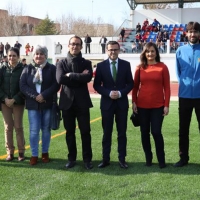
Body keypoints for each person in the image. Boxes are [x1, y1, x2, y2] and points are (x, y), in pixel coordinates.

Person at [93, 41, 133, 169]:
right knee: (107, 133)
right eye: (110, 50)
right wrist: (108, 93)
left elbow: (130, 84)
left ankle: (122, 159)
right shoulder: (100, 66)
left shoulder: (126, 65)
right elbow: (97, 85)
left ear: (119, 50)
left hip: (121, 104)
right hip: (107, 104)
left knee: (122, 133)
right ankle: (106, 159)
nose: (113, 52)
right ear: (106, 51)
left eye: (115, 49)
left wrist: (121, 93)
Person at [56, 36, 93, 170]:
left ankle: (87, 159)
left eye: (77, 44)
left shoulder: (86, 63)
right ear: (68, 45)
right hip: (67, 103)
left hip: (82, 103)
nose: (75, 46)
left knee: (85, 132)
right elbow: (60, 79)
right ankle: (72, 158)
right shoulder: (61, 63)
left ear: (81, 47)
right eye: (73, 44)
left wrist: (70, 75)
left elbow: (88, 77)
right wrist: (79, 77)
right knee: (69, 132)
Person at [132, 42, 170, 168]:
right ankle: (148, 158)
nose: (150, 54)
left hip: (158, 106)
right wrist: (134, 102)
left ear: (156, 53)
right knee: (144, 133)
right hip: (142, 106)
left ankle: (161, 159)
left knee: (156, 132)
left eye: (152, 51)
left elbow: (167, 88)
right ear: (144, 53)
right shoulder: (139, 68)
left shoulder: (162, 67)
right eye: (148, 51)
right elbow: (135, 87)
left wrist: (166, 105)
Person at [20, 45, 59, 165]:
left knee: (46, 130)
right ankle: (34, 154)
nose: (39, 56)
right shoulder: (27, 68)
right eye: (36, 54)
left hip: (47, 104)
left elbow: (56, 84)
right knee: (34, 131)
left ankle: (45, 153)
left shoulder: (52, 68)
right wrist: (35, 96)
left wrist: (44, 95)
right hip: (33, 105)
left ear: (45, 55)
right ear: (33, 55)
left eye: (41, 54)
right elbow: (23, 86)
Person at [174, 21, 200, 167]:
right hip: (184, 96)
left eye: (195, 31)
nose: (192, 34)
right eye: (190, 31)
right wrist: (184, 83)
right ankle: (183, 158)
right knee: (183, 129)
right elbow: (178, 72)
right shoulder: (180, 51)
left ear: (199, 34)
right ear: (186, 33)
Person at [0, 47, 25, 161]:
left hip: (18, 102)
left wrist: (14, 99)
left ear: (18, 57)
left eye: (14, 55)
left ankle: (21, 152)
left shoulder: (23, 69)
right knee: (8, 127)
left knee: (18, 127)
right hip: (5, 103)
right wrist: (5, 98)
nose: (11, 58)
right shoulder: (2, 68)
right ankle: (10, 152)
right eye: (10, 55)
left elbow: (24, 87)